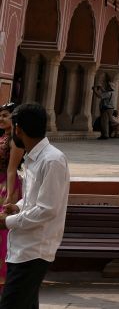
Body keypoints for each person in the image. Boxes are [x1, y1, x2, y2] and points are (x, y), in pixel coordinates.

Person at [0, 102, 70, 309]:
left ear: (18, 129)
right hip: (22, 247)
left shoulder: (52, 160)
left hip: (35, 248)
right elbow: (34, 199)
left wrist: (7, 222)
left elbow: (47, 209)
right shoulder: (33, 157)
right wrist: (18, 207)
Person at [0, 103, 25, 293]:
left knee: (4, 230)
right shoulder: (3, 138)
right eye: (0, 115)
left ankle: (5, 275)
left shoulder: (15, 141)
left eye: (5, 116)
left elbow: (11, 169)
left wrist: (9, 196)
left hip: (7, 185)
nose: (1, 119)